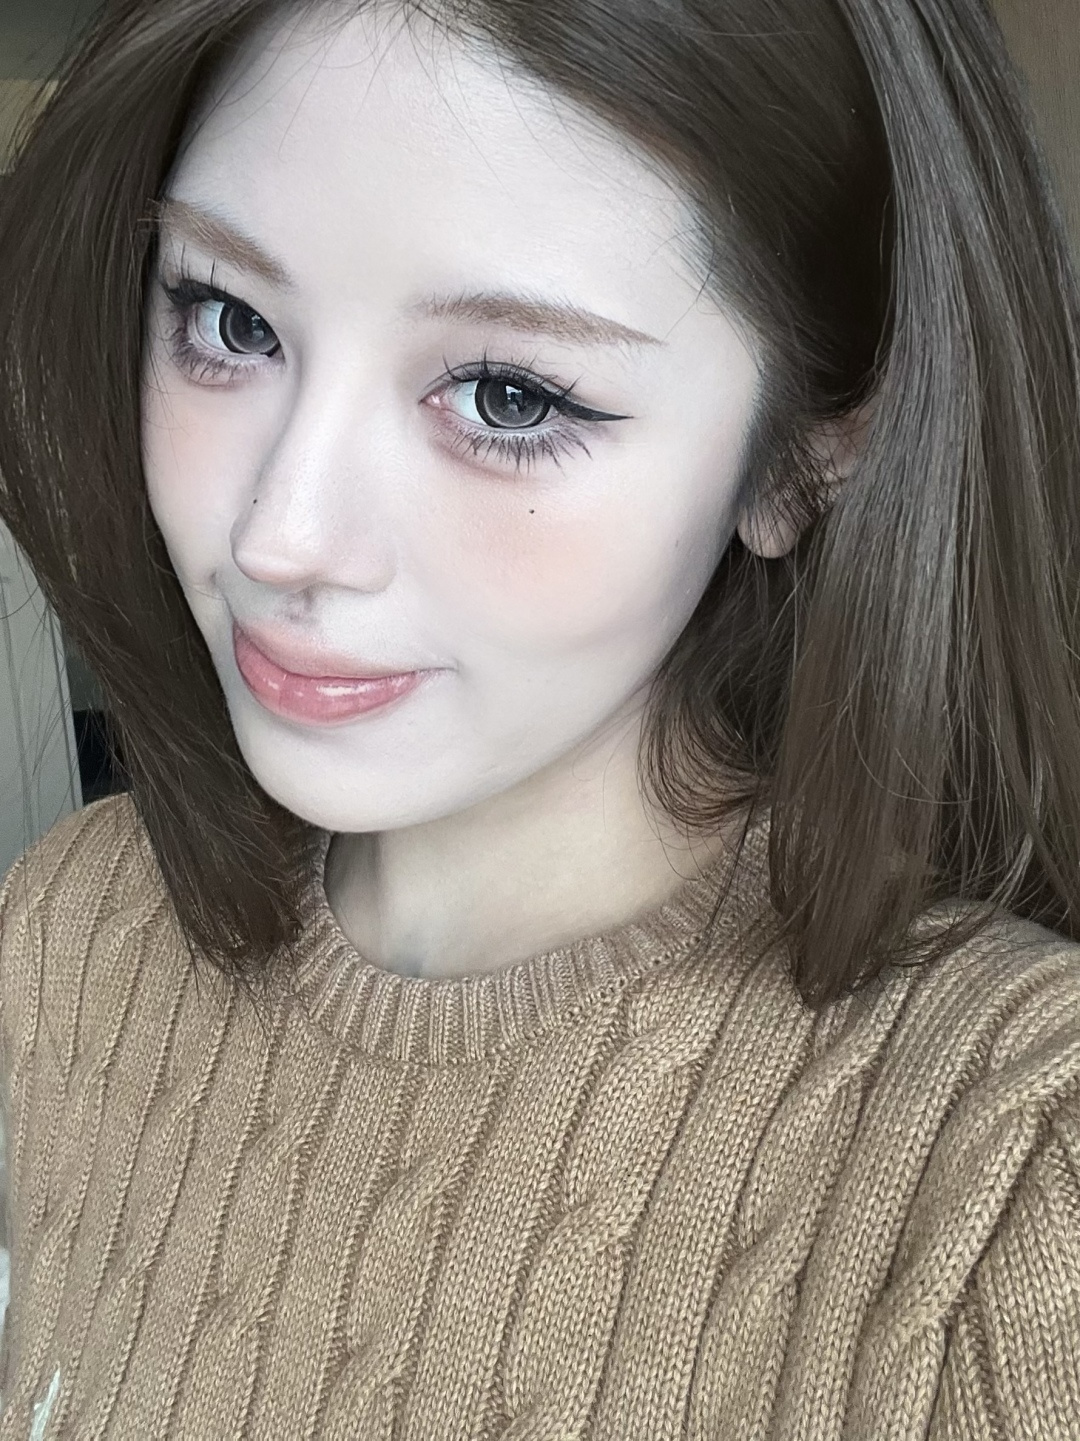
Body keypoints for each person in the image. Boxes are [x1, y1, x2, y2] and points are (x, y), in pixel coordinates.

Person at [0, 0, 1077, 1434]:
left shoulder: (1014, 1182)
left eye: (509, 397)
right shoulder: (69, 937)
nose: (279, 533)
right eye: (230, 319)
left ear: (806, 456)